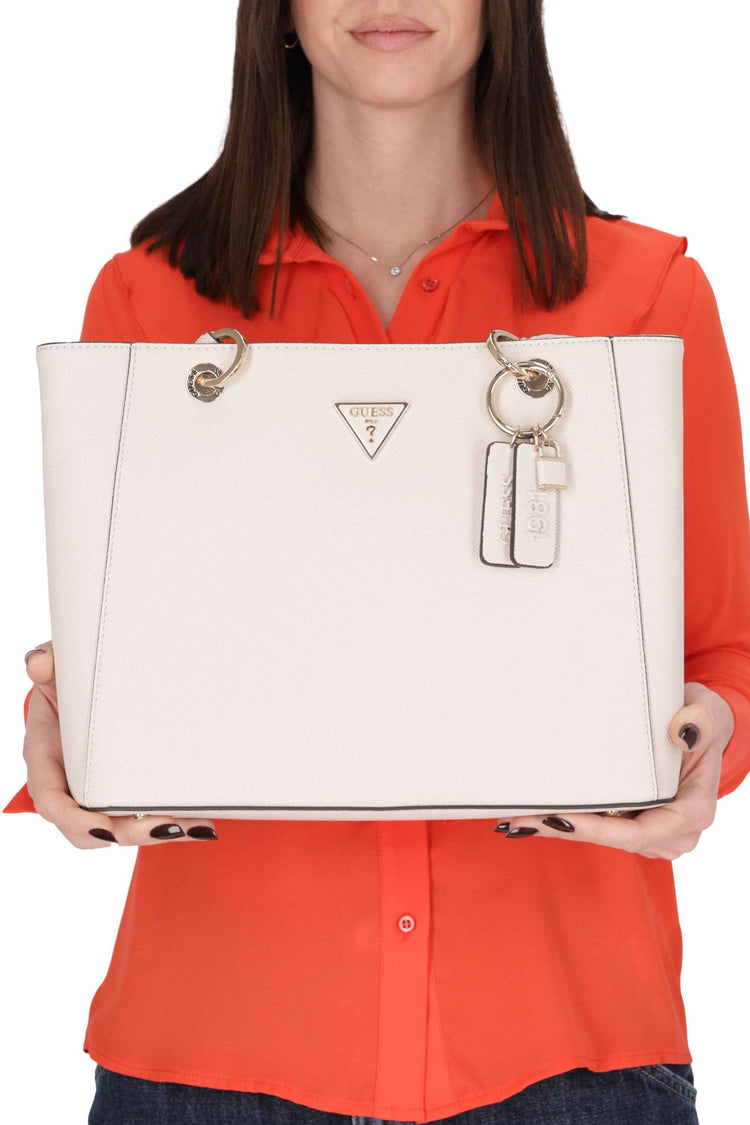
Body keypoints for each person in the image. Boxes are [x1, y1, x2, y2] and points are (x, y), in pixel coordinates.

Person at [5, 3, 750, 1123]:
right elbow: (127, 657)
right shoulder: (148, 300)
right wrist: (67, 727)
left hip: (569, 1055)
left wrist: (708, 743)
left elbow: (724, 650)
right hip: (208, 1056)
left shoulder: (647, 296)